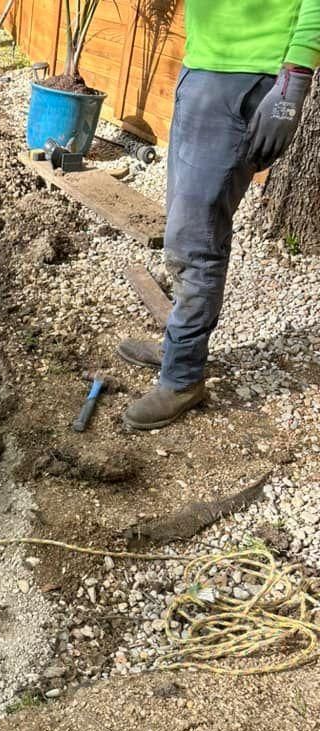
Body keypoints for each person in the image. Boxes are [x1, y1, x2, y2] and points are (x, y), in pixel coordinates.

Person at [118, 0, 320, 430]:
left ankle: (182, 378)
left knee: (196, 241)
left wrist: (295, 80)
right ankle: (180, 346)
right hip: (201, 69)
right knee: (181, 228)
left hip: (250, 77)